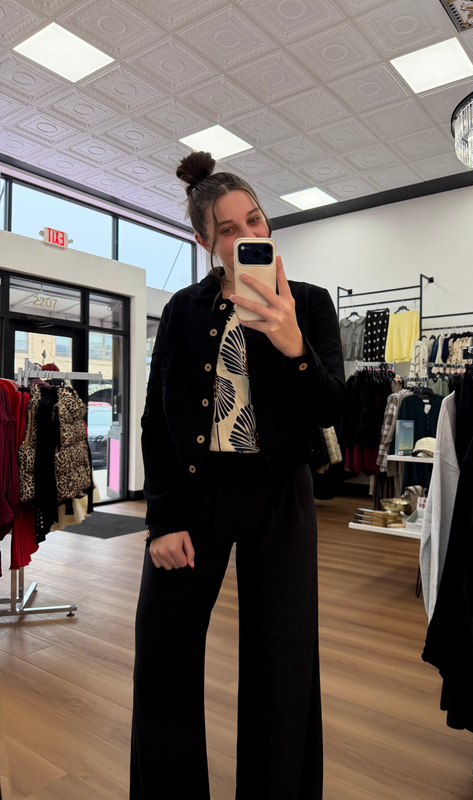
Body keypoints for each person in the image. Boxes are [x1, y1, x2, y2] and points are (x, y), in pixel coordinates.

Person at [129, 151, 347, 800]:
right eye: (228, 229)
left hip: (282, 494)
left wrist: (290, 344)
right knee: (164, 657)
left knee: (282, 665)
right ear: (202, 240)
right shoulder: (181, 312)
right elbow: (155, 422)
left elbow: (331, 410)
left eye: (254, 219)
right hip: (196, 496)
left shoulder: (306, 304)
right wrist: (161, 520)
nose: (247, 235)